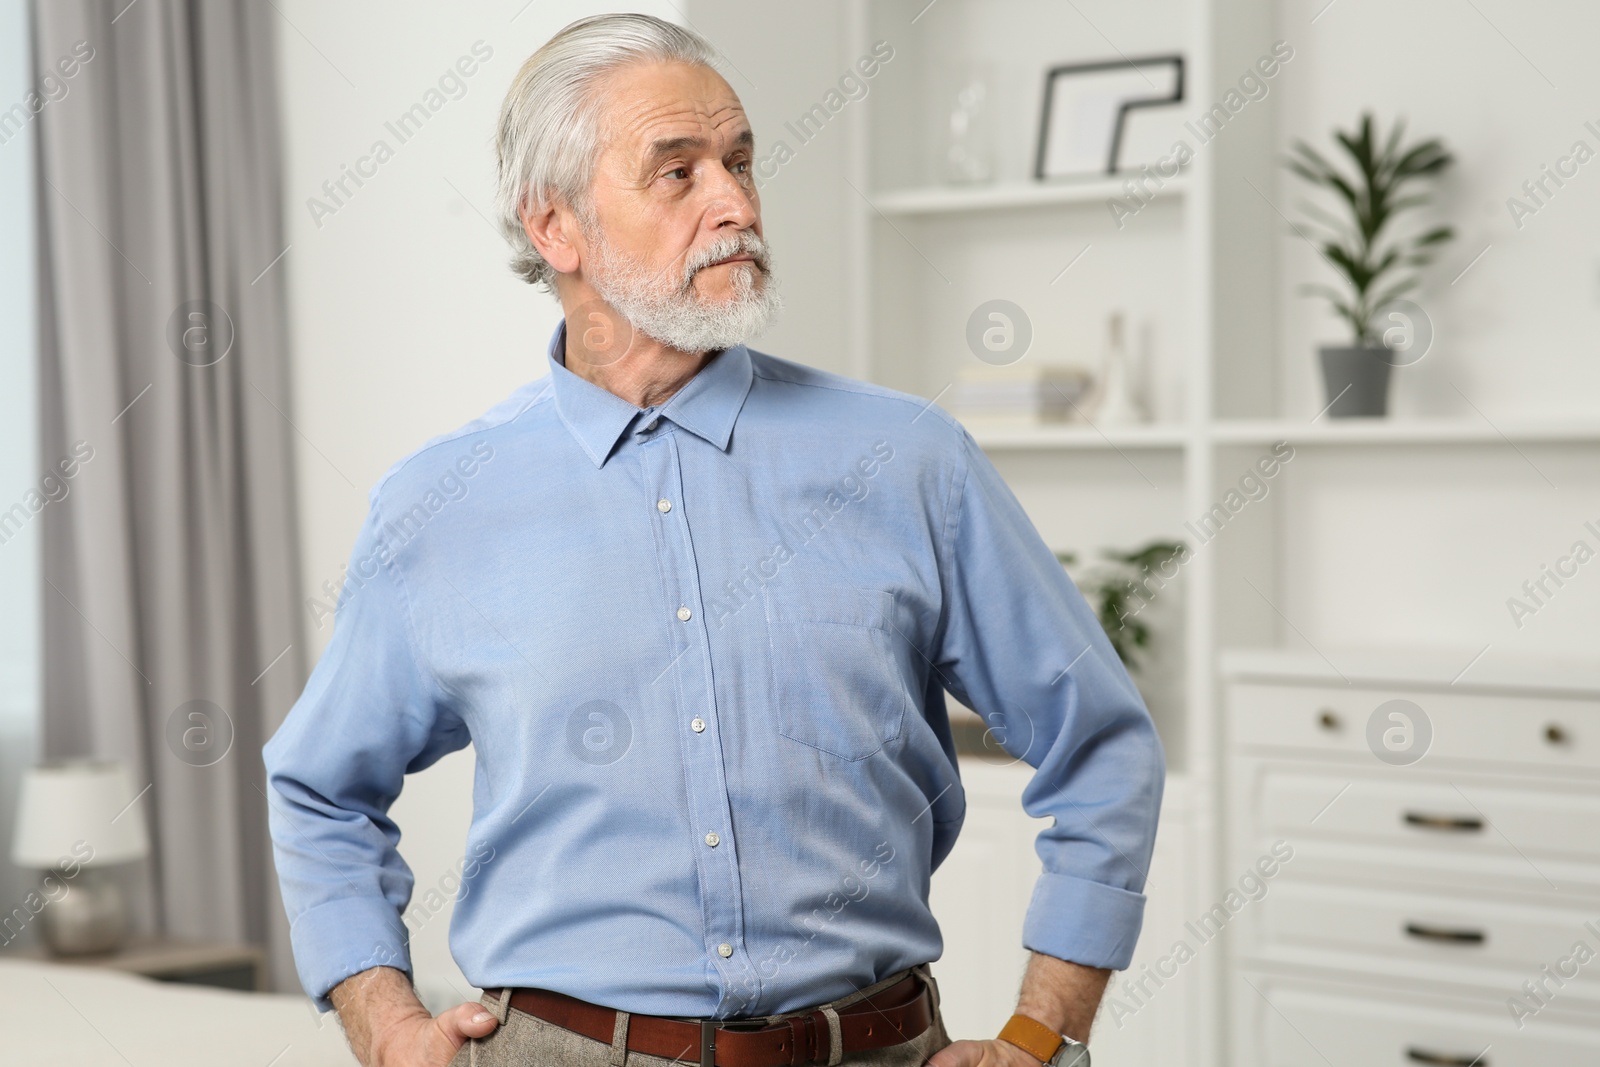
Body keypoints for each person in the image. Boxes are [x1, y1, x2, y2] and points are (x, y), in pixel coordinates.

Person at [262, 13, 1164, 1067]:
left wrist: (1038, 1030)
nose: (735, 203)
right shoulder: (440, 503)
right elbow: (319, 784)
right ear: (555, 226)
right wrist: (384, 1022)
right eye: (677, 172)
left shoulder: (911, 458)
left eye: (738, 161)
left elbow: (1100, 746)